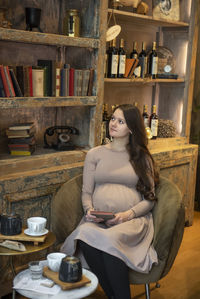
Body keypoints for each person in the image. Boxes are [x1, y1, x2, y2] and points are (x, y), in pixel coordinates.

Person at [61, 104, 159, 299]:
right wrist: (89, 211)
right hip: (97, 221)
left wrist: (127, 215)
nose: (113, 124)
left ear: (131, 128)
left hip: (130, 223)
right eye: (113, 119)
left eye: (120, 121)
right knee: (84, 234)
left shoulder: (142, 157)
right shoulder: (95, 154)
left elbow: (150, 199)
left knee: (109, 241)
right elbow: (86, 192)